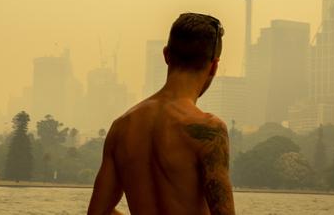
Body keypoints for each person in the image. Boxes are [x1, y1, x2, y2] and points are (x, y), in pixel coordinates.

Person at [87, 13, 235, 215]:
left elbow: (97, 213)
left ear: (166, 55)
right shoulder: (209, 130)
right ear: (214, 66)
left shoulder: (121, 127)